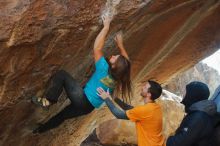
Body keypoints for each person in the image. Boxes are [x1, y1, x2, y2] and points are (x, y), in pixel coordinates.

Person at [32, 14, 132, 133]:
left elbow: (97, 48)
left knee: (62, 75)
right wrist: (120, 45)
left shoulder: (104, 69)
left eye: (115, 58)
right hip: (87, 108)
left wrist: (106, 27)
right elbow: (127, 63)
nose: (114, 55)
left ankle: (49, 100)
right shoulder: (120, 77)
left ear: (114, 66)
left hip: (82, 98)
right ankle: (40, 130)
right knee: (63, 116)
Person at [97, 80, 165, 146]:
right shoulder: (155, 107)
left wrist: (106, 98)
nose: (142, 87)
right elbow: (133, 110)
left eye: (145, 87)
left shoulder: (145, 110)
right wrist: (114, 98)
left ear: (149, 94)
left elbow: (118, 114)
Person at [166, 81, 217, 146]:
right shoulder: (199, 114)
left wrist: (166, 140)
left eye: (186, 92)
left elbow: (179, 143)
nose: (184, 95)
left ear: (192, 95)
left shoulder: (199, 117)